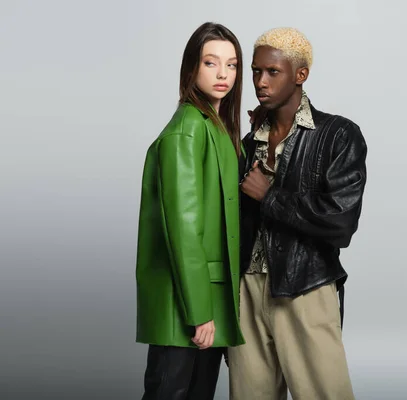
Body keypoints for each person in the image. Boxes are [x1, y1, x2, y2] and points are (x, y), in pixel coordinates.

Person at [229, 27, 367, 400]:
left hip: (305, 286)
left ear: (300, 75)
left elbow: (340, 222)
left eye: (272, 72)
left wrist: (270, 196)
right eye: (256, 71)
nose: (260, 81)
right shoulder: (249, 141)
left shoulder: (337, 135)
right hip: (247, 290)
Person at [135, 22, 245, 400]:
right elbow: (183, 227)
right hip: (188, 302)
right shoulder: (187, 131)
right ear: (191, 68)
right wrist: (199, 311)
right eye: (211, 63)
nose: (223, 74)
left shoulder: (216, 128)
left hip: (210, 297)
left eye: (231, 65)